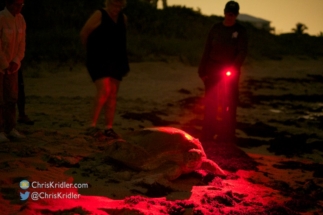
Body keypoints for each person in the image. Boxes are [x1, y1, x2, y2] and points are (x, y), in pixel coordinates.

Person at [198, 1, 248, 143]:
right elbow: (207, 49)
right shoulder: (215, 28)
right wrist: (202, 70)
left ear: (236, 15)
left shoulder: (241, 31)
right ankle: (208, 134)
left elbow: (242, 51)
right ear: (224, 12)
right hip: (212, 68)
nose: (230, 16)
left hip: (229, 71)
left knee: (229, 104)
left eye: (233, 13)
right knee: (211, 103)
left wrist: (233, 67)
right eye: (228, 12)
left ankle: (227, 136)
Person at [80, 0, 129, 139]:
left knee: (113, 93)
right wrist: (90, 51)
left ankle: (109, 127)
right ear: (108, 3)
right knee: (104, 90)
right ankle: (92, 125)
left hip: (116, 60)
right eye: (114, 5)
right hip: (98, 59)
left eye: (119, 6)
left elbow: (122, 39)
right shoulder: (100, 14)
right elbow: (84, 33)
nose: (116, 8)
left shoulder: (123, 18)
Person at [0, 0, 26, 142]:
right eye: (17, 4)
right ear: (9, 4)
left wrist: (16, 61)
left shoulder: (21, 20)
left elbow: (22, 43)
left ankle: (10, 128)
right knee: (0, 98)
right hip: (1, 65)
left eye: (22, 4)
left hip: (13, 65)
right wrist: (4, 63)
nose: (20, 7)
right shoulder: (1, 19)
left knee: (12, 97)